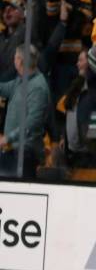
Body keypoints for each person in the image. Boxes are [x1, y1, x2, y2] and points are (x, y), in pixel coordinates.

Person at [0, 44, 50, 178]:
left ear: (20, 61)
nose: (13, 60)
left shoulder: (38, 87)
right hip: (12, 151)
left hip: (25, 153)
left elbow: (32, 122)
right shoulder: (21, 80)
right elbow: (4, 88)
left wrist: (8, 138)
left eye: (15, 57)